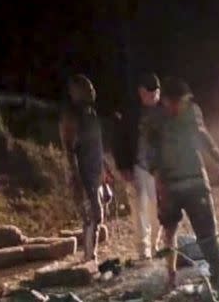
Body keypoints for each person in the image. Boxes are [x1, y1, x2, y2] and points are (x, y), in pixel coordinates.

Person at [146, 76, 219, 289]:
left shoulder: (193, 112)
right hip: (169, 186)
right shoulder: (155, 119)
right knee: (170, 232)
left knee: (207, 233)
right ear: (166, 100)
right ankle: (171, 276)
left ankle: (218, 276)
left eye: (184, 101)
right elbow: (151, 154)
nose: (181, 105)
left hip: (195, 183)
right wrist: (158, 182)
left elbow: (204, 137)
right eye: (177, 101)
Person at [114, 72, 163, 259]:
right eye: (148, 94)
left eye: (155, 94)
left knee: (159, 211)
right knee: (139, 210)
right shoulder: (130, 112)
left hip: (159, 170)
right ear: (141, 92)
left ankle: (156, 245)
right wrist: (123, 166)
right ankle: (143, 251)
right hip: (138, 167)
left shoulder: (163, 112)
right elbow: (119, 139)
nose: (152, 98)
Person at [59, 74, 105, 262]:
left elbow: (96, 145)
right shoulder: (72, 115)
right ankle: (88, 256)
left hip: (94, 171)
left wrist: (104, 167)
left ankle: (90, 253)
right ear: (77, 92)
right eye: (88, 88)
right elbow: (69, 149)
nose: (93, 91)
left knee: (96, 215)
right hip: (83, 173)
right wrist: (75, 176)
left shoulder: (90, 113)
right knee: (92, 215)